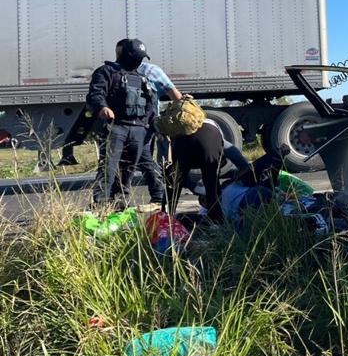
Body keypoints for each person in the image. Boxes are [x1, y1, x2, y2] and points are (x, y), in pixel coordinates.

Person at [86, 39, 158, 209]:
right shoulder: (106, 72)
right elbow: (95, 94)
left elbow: (151, 103)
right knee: (108, 168)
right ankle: (102, 205)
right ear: (124, 55)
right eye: (136, 57)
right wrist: (103, 107)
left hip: (138, 130)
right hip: (116, 127)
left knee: (128, 170)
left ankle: (120, 205)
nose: (139, 61)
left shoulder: (141, 78)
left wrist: (151, 123)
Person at [115, 38, 183, 208]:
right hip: (130, 124)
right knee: (135, 159)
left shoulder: (150, 71)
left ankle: (151, 197)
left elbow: (176, 95)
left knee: (139, 158)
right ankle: (133, 197)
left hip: (144, 124)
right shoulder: (121, 72)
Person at [167, 118, 250, 222]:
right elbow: (244, 165)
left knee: (174, 182)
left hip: (183, 138)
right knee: (211, 183)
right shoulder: (221, 143)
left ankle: (166, 217)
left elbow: (177, 179)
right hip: (205, 136)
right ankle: (216, 221)